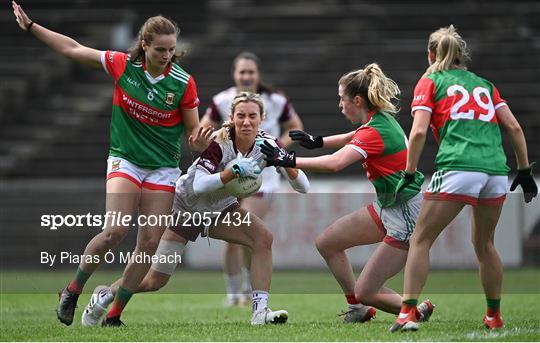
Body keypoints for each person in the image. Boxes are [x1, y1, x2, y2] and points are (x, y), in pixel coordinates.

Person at [11, 1, 213, 326]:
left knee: (148, 243)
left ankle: (115, 313)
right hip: (126, 161)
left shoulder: (182, 82)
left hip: (162, 168)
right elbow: (74, 49)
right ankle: (73, 290)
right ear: (144, 45)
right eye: (160, 49)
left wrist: (200, 141)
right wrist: (33, 27)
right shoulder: (123, 65)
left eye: (172, 49)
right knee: (115, 230)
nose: (166, 56)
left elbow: (193, 131)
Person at [80, 92, 310, 326]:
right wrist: (231, 172)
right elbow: (199, 186)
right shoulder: (220, 142)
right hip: (184, 207)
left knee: (262, 239)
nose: (247, 121)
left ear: (262, 118)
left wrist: (287, 164)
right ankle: (105, 294)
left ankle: (259, 312)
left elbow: (304, 187)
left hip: (220, 209)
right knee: (155, 281)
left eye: (253, 116)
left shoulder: (269, 145)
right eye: (241, 116)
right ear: (231, 117)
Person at [389, 25, 538, 332]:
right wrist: (524, 170)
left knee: (421, 239)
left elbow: (417, 132)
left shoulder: (430, 80)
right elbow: (514, 128)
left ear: (431, 54)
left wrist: (408, 172)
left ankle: (406, 312)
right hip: (496, 171)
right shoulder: (485, 84)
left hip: (458, 167)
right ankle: (494, 316)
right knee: (485, 244)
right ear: (461, 56)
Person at [261, 63, 434, 323]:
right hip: (388, 206)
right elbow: (351, 137)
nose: (340, 104)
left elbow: (335, 163)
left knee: (366, 291)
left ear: (356, 100)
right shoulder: (378, 120)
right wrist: (317, 141)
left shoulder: (375, 130)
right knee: (327, 243)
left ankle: (416, 311)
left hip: (405, 212)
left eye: (342, 99)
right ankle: (357, 309)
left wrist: (289, 160)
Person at [200, 51, 304, 306]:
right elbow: (203, 130)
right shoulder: (222, 100)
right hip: (229, 178)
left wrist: (275, 150)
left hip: (263, 177)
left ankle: (247, 288)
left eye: (251, 72)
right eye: (242, 72)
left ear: (258, 75)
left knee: (244, 225)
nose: (246, 76)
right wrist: (213, 144)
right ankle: (235, 292)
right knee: (237, 237)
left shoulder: (275, 100)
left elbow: (295, 126)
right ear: (234, 74)